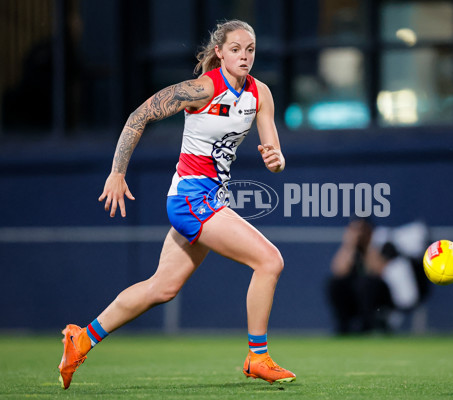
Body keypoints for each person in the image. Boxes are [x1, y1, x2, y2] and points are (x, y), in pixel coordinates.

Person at [58, 19, 296, 389]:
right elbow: (140, 116)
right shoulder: (201, 88)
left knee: (162, 288)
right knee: (269, 260)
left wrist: (276, 160)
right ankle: (258, 357)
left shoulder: (260, 93)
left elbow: (274, 152)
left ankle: (82, 338)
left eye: (249, 49)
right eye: (236, 49)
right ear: (219, 52)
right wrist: (117, 173)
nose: (244, 56)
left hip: (211, 199)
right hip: (191, 198)